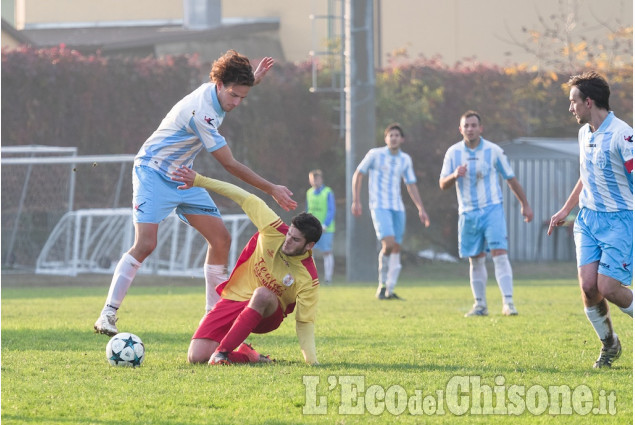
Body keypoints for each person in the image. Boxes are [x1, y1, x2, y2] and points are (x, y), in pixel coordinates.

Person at [94, 50, 297, 337]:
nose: (237, 103)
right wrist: (271, 188)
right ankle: (107, 315)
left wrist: (255, 79)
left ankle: (211, 322)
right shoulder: (200, 113)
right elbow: (229, 164)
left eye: (243, 97)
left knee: (221, 239)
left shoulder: (219, 90)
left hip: (183, 177)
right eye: (234, 96)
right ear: (219, 85)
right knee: (146, 243)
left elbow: (234, 88)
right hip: (152, 171)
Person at [171, 166, 322, 365]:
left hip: (268, 313)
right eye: (289, 234)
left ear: (309, 245)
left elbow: (304, 323)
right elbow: (241, 195)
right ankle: (249, 355)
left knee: (262, 293)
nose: (287, 241)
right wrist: (200, 180)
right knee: (196, 357)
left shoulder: (308, 278)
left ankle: (222, 353)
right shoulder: (273, 228)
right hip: (235, 298)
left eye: (295, 240)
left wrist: (312, 363)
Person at [548, 72, 633, 368]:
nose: (570, 108)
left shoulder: (623, 135)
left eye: (573, 102)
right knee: (588, 287)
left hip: (620, 221)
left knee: (609, 288)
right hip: (587, 221)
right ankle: (610, 345)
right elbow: (586, 177)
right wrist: (565, 210)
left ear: (588, 101)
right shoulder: (584, 133)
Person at [439, 110, 533, 317]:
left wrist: (525, 204)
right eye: (467, 126)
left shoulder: (494, 151)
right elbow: (442, 184)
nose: (470, 129)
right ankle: (480, 305)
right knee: (476, 258)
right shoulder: (453, 153)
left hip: (492, 209)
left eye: (474, 125)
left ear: (481, 128)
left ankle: (508, 303)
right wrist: (455, 175)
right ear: (460, 129)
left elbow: (511, 178)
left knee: (500, 254)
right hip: (468, 213)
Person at [351, 123, 430, 300]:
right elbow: (358, 173)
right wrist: (356, 200)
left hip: (398, 207)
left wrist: (421, 209)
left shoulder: (405, 159)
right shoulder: (375, 154)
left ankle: (390, 289)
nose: (393, 138)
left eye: (397, 135)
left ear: (402, 139)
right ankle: (382, 284)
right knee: (388, 243)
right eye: (390, 135)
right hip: (379, 206)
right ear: (386, 138)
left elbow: (411, 184)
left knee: (396, 247)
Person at [306, 169, 336, 283]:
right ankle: (312, 278)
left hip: (326, 229)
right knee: (309, 251)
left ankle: (328, 278)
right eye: (312, 180)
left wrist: (325, 225)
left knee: (327, 252)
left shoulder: (327, 192)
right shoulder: (309, 192)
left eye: (316, 179)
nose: (314, 182)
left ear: (321, 179)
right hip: (312, 229)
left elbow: (331, 210)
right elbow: (308, 210)